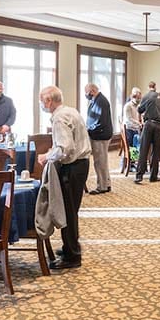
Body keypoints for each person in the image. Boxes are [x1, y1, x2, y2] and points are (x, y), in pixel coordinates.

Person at [37, 86, 91, 269]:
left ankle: (72, 256)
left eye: (42, 101)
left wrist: (46, 157)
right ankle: (70, 246)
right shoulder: (71, 111)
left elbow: (64, 148)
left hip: (73, 167)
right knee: (71, 209)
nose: (41, 105)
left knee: (68, 211)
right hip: (81, 164)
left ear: (49, 101)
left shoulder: (59, 118)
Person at [135, 81, 160, 183]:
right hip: (159, 127)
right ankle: (153, 176)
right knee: (156, 151)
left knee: (144, 149)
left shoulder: (149, 98)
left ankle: (139, 176)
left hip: (149, 124)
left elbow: (140, 110)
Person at [84, 83, 113, 195]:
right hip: (98, 135)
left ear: (92, 91)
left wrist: (88, 130)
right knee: (102, 161)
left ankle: (102, 186)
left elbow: (100, 122)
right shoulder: (96, 100)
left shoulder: (101, 101)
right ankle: (107, 183)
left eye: (86, 93)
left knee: (100, 162)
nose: (86, 95)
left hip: (100, 136)